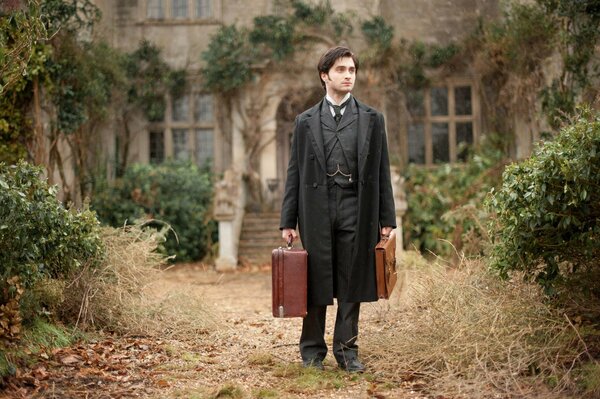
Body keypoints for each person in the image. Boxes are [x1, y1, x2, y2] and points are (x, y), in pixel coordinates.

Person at [279, 46, 396, 372]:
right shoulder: (305, 122)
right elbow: (295, 172)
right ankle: (312, 353)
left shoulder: (373, 120)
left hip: (358, 210)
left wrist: (387, 217)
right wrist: (288, 219)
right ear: (325, 75)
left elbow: (382, 170)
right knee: (314, 281)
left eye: (352, 70)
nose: (348, 75)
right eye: (342, 70)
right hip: (315, 210)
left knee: (352, 281)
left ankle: (347, 352)